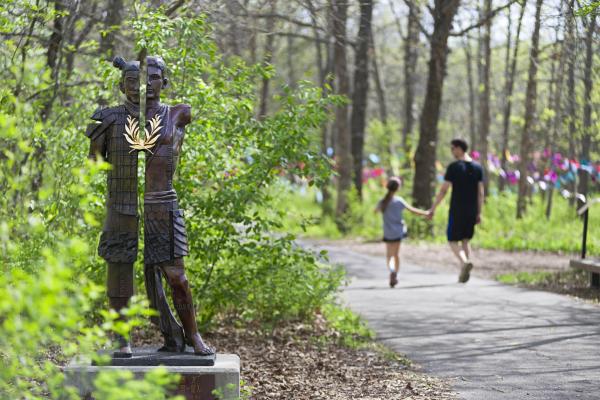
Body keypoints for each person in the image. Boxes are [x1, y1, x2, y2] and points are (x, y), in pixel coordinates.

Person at [428, 139, 484, 283]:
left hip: (457, 210)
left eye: (453, 148)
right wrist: (479, 212)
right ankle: (463, 271)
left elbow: (443, 190)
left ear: (459, 149)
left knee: (452, 240)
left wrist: (433, 208)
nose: (452, 151)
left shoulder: (454, 167)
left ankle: (464, 262)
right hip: (472, 211)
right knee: (466, 240)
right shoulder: (478, 168)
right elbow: (481, 193)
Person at [376, 177, 428, 287]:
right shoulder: (399, 201)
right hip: (398, 232)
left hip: (388, 232)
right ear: (398, 188)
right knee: (396, 255)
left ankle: (391, 271)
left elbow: (375, 211)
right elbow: (413, 210)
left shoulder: (383, 201)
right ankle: (395, 274)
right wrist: (426, 213)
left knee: (389, 255)